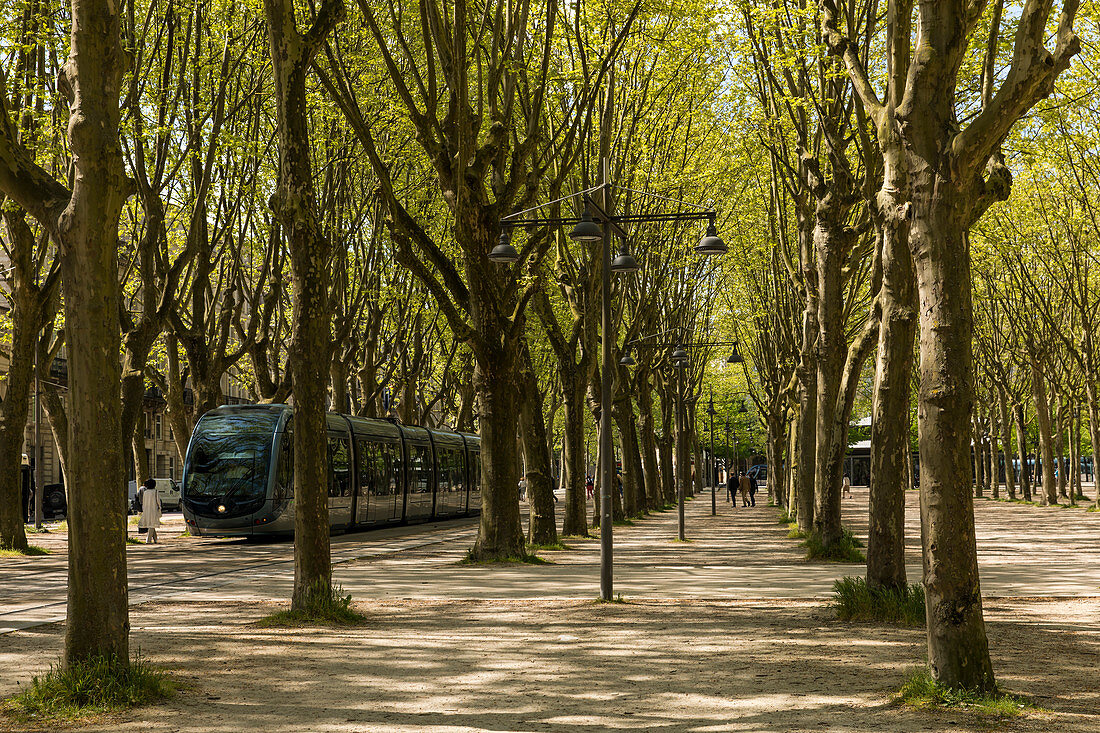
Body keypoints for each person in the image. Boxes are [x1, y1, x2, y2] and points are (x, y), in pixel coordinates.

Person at [138, 477, 162, 544]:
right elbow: (158, 501)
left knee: (151, 524)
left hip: (146, 509)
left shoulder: (145, 492)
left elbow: (143, 501)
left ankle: (155, 539)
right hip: (153, 509)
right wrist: (160, 507)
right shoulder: (155, 492)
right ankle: (148, 540)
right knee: (152, 524)